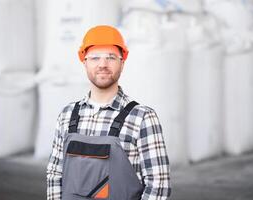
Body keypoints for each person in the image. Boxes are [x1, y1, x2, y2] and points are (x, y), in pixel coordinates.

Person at [47, 25, 171, 200]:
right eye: (95, 57)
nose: (102, 64)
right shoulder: (66, 115)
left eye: (111, 57)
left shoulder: (142, 118)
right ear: (84, 62)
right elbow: (54, 174)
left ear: (122, 62)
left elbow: (159, 186)